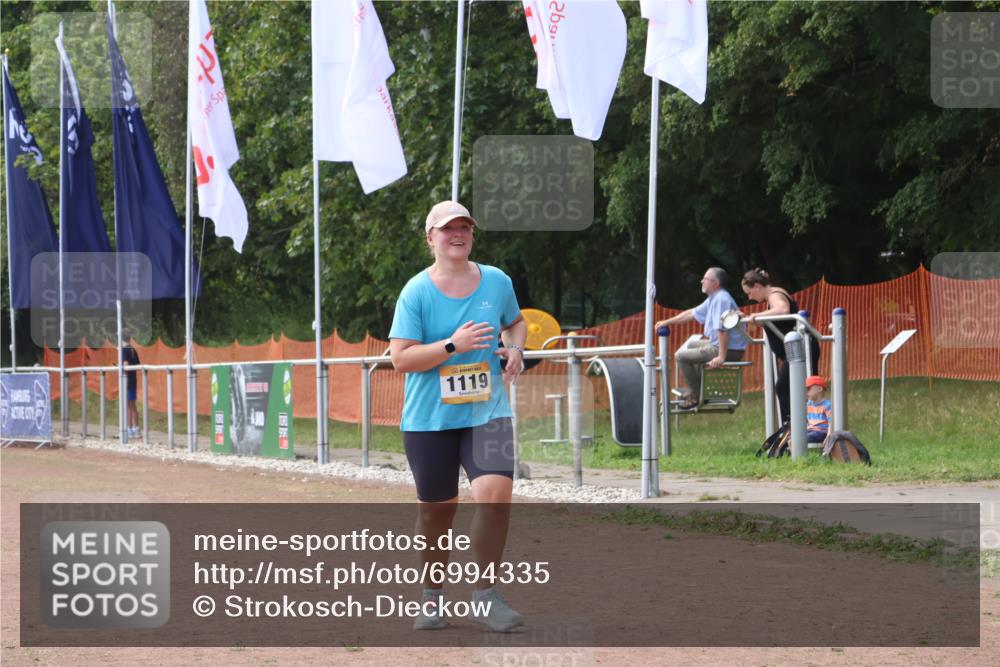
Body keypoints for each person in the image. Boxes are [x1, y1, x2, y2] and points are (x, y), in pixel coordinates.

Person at [388, 200, 528, 633]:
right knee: (437, 513)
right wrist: (453, 345)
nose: (458, 233)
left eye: (465, 226)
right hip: (430, 422)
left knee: (495, 495)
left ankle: (486, 596)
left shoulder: (496, 281)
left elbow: (516, 322)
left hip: (488, 412)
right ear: (430, 239)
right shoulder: (416, 292)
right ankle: (431, 596)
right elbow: (401, 359)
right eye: (447, 228)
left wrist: (516, 349)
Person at [654, 267, 748, 410]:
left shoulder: (721, 300)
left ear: (716, 283)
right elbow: (691, 313)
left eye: (705, 279)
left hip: (728, 349)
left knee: (680, 356)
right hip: (723, 345)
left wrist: (721, 357)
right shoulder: (714, 298)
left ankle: (696, 394)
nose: (701, 281)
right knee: (692, 345)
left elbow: (722, 330)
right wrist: (667, 322)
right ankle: (700, 389)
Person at [740, 268, 820, 425]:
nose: (749, 297)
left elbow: (783, 309)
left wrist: (758, 315)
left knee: (785, 388)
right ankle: (796, 430)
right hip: (796, 351)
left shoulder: (775, 294)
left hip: (802, 349)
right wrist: (749, 318)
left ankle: (793, 431)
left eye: (749, 292)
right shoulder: (771, 297)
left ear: (757, 286)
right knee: (793, 388)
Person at [121, 333, 140, 438]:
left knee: (129, 406)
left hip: (127, 381)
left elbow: (126, 364)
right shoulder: (132, 349)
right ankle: (135, 428)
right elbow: (137, 364)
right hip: (133, 379)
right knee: (132, 405)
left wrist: (122, 372)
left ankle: (130, 429)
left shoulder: (124, 350)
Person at [806, 375, 832, 444]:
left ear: (819, 389)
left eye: (808, 389)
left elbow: (831, 423)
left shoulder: (827, 405)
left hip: (821, 432)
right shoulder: (808, 404)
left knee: (804, 438)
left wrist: (828, 437)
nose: (806, 392)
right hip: (810, 430)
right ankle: (794, 454)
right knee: (795, 436)